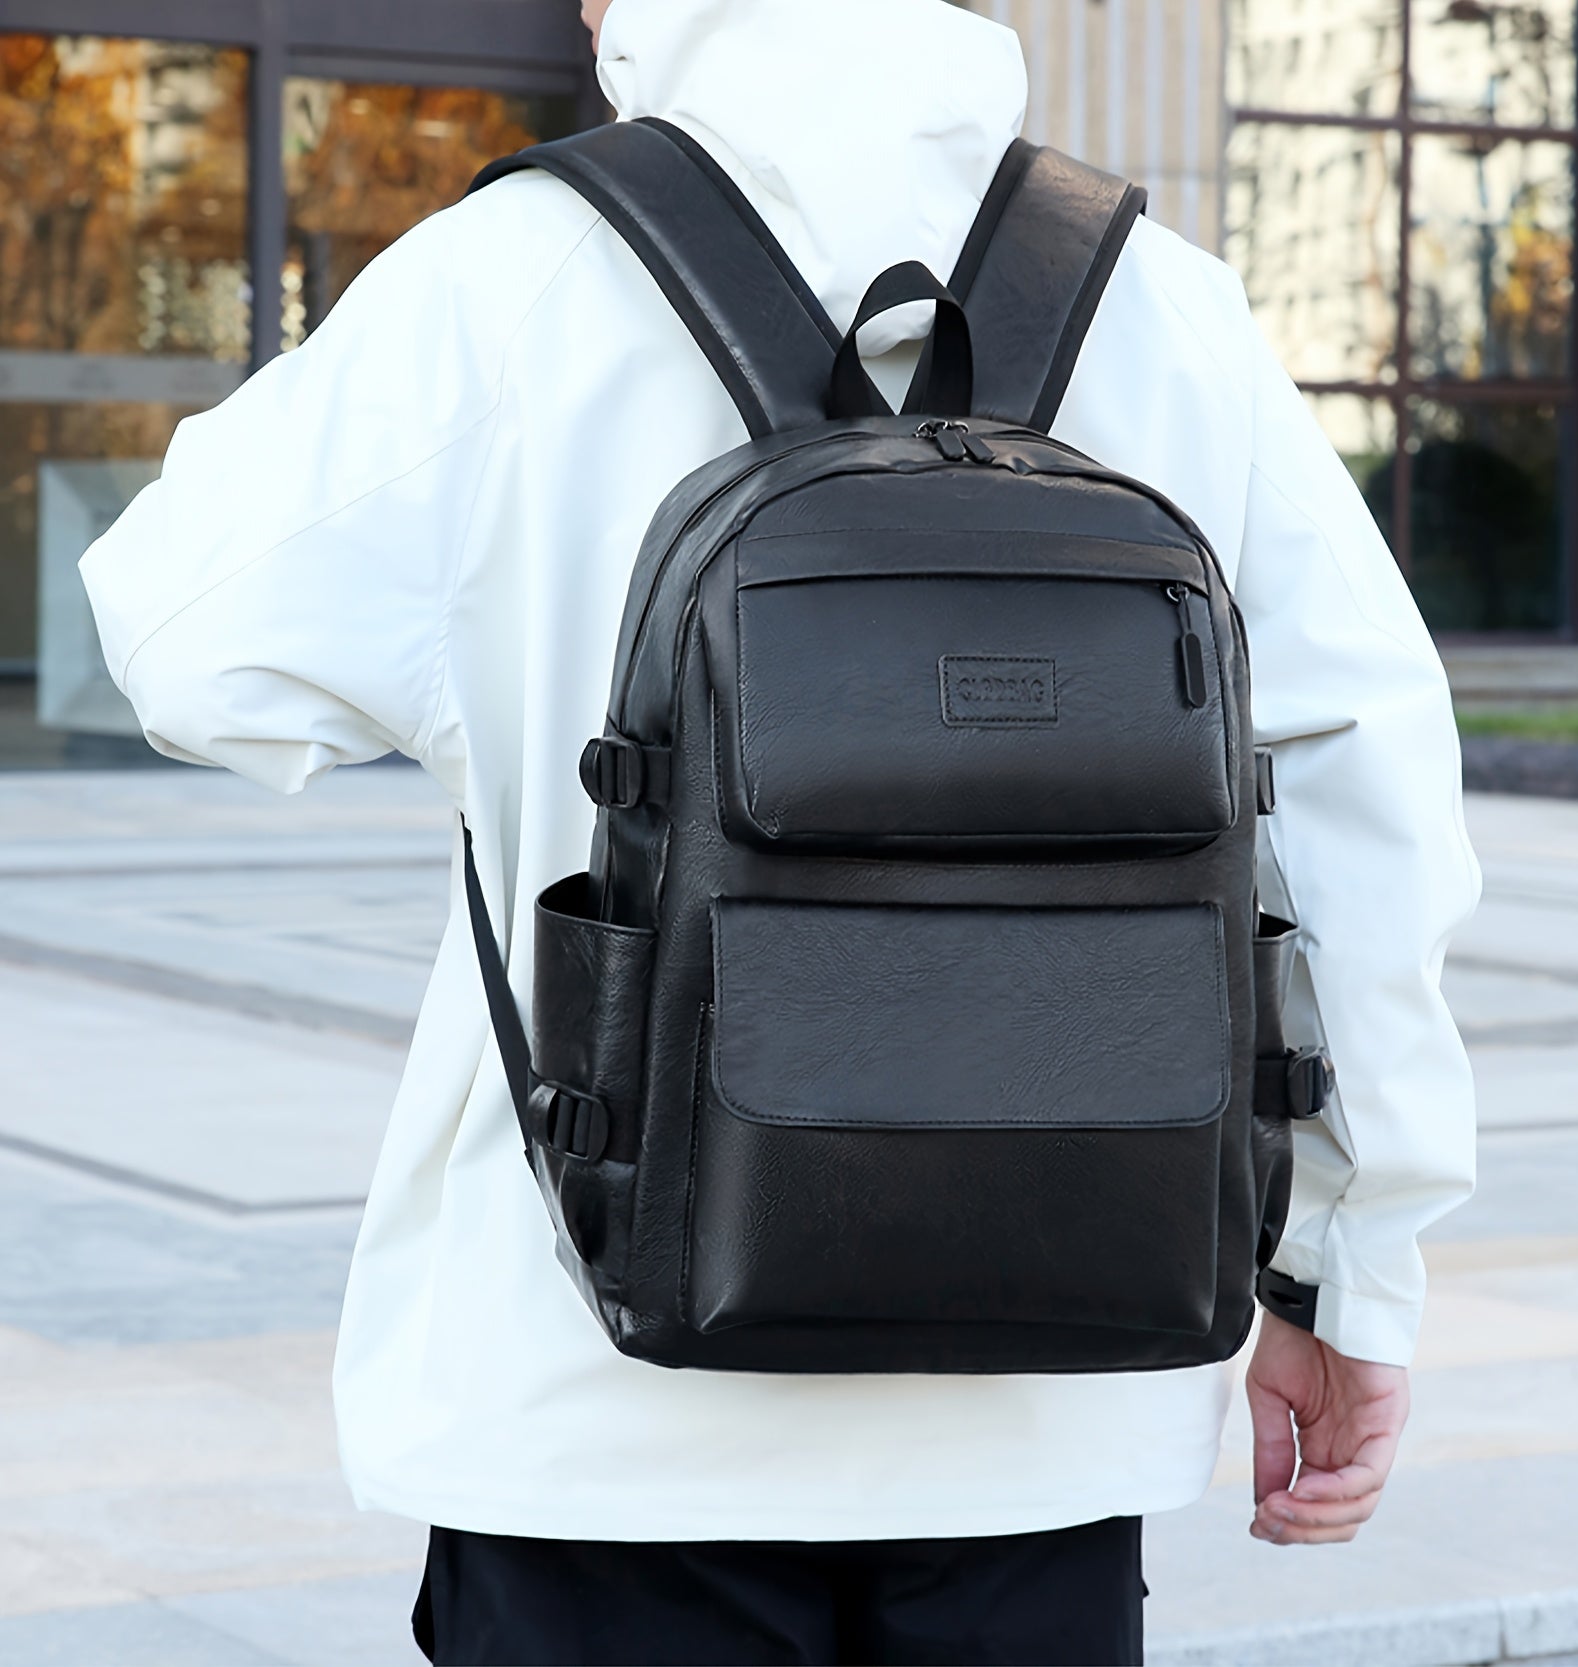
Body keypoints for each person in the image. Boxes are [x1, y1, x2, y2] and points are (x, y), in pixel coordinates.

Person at [79, 0, 1481, 1661]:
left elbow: (184, 641)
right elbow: (1367, 793)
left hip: (594, 1404)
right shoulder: (1166, 304)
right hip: (1051, 1404)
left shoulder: (506, 278)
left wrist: (493, 673)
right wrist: (1345, 1272)